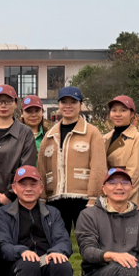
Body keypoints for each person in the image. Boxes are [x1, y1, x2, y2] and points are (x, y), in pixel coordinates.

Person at [38, 86, 107, 232]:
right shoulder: (49, 136)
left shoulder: (92, 133)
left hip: (83, 199)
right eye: (64, 102)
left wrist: (94, 197)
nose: (68, 106)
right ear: (58, 105)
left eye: (73, 102)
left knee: (88, 239)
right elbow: (42, 168)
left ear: (80, 104)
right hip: (55, 199)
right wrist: (42, 198)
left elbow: (98, 166)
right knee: (57, 240)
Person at [103, 95, 139, 211]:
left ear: (132, 114)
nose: (118, 114)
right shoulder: (105, 138)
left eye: (123, 110)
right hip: (109, 200)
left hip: (132, 201)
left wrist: (117, 194)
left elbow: (136, 173)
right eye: (114, 110)